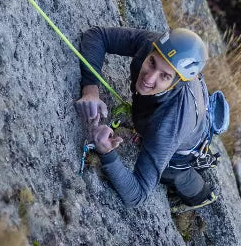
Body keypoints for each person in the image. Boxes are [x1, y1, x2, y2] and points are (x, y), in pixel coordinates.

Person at [74, 26, 217, 212]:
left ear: (176, 83)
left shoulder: (169, 125)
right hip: (191, 109)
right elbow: (98, 35)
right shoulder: (159, 49)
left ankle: (201, 195)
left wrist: (107, 152)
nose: (149, 78)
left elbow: (137, 195)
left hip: (186, 142)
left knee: (171, 172)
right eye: (151, 62)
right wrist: (90, 89)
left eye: (164, 76)